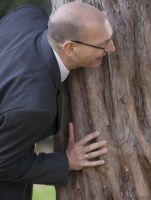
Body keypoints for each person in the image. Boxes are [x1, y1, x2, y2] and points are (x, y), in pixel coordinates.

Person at [0, 2, 115, 200]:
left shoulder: (28, 15)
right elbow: (4, 163)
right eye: (102, 44)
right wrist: (66, 161)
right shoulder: (35, 106)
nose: (112, 49)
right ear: (70, 47)